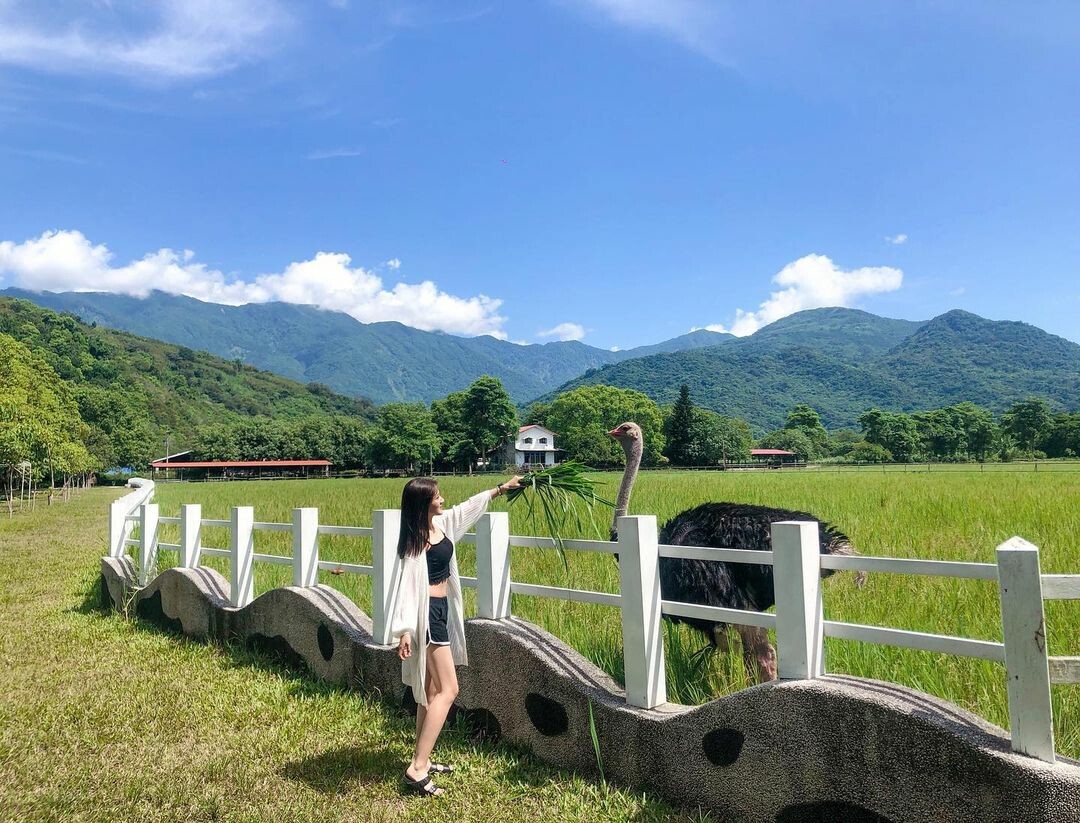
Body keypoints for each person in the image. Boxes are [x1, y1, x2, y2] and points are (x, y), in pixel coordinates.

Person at [391, 474, 523, 797]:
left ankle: (421, 758)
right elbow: (405, 588)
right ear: (424, 503)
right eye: (436, 496)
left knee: (431, 689)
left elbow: (468, 508)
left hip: (441, 612)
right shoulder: (415, 543)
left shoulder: (442, 524)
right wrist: (405, 630)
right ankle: (417, 769)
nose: (442, 499)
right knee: (449, 689)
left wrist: (500, 490)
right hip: (426, 618)